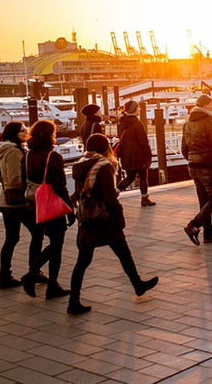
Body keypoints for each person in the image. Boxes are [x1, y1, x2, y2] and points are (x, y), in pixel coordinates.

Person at [67, 133, 158, 315]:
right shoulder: (103, 167)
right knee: (124, 253)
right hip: (104, 218)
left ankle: (73, 300)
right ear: (104, 147)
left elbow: (79, 192)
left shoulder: (80, 165)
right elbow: (109, 196)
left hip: (87, 218)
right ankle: (137, 284)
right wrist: (118, 214)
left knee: (83, 261)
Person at [21, 119, 74, 300]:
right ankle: (45, 281)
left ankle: (39, 277)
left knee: (51, 241)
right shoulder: (53, 157)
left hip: (32, 204)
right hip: (50, 204)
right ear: (51, 135)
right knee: (57, 244)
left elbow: (23, 180)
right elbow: (60, 186)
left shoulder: (27, 155)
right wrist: (70, 209)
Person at [0, 122, 42, 289]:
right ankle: (34, 271)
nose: (26, 132)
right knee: (37, 233)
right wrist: (29, 188)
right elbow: (16, 179)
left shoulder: (4, 151)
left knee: (12, 237)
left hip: (5, 200)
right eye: (23, 130)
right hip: (17, 202)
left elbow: (2, 177)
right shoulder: (14, 152)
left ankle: (4, 276)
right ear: (15, 133)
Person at [182, 94, 212, 245]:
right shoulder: (208, 121)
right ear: (205, 106)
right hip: (207, 165)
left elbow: (184, 147)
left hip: (193, 165)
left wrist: (192, 158)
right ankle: (193, 225)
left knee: (203, 200)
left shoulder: (188, 122)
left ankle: (208, 233)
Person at [115, 101, 156, 207]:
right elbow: (143, 141)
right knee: (143, 177)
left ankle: (115, 193)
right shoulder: (137, 123)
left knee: (130, 177)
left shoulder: (121, 123)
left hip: (126, 155)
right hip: (139, 155)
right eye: (138, 108)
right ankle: (144, 199)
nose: (140, 110)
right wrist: (148, 154)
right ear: (133, 110)